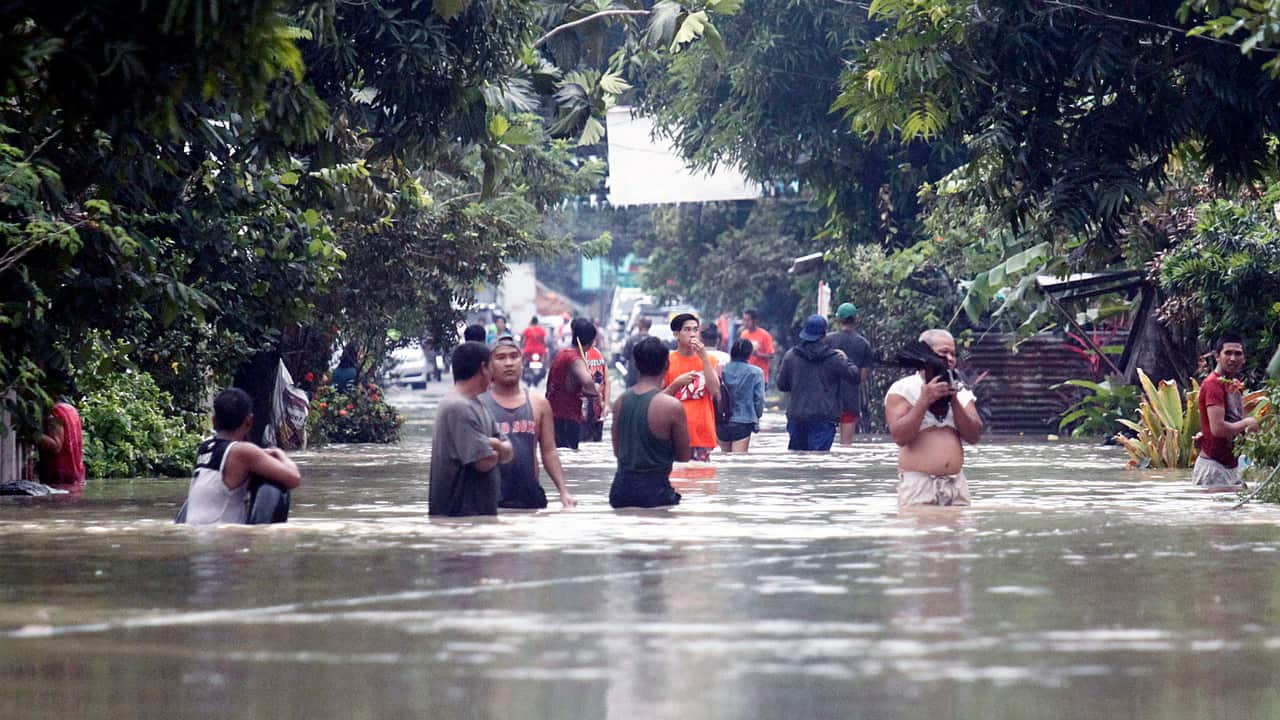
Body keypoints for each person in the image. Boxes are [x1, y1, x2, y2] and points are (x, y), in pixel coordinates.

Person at [885, 329, 983, 508]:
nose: (950, 358)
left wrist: (953, 399)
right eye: (944, 353)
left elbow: (974, 436)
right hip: (919, 485)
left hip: (956, 485)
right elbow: (900, 437)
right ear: (925, 355)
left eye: (953, 354)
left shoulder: (962, 390)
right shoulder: (902, 389)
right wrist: (924, 400)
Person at [478, 337, 577, 509]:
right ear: (489, 367)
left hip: (528, 494)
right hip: (489, 495)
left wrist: (563, 491)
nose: (509, 363)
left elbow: (549, 451)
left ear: (522, 362)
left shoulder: (539, 404)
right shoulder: (478, 405)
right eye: (500, 358)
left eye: (514, 356)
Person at [184, 388, 302, 525]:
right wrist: (279, 453)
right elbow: (294, 478)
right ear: (249, 421)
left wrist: (261, 453)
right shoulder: (243, 452)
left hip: (196, 532)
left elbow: (233, 456)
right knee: (276, 486)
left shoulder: (205, 447)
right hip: (222, 538)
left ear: (214, 420)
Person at [429, 342, 513, 516]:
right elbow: (484, 462)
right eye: (491, 365)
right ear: (483, 368)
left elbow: (508, 452)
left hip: (478, 517)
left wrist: (493, 443)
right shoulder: (458, 407)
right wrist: (496, 446)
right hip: (460, 518)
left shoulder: (478, 404)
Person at [610, 336, 692, 508]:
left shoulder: (620, 402)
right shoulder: (672, 406)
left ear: (637, 366)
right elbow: (684, 456)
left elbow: (618, 451)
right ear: (666, 365)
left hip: (620, 491)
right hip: (655, 492)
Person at [776, 314, 860, 452]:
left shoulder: (791, 356)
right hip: (824, 418)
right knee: (819, 462)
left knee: (797, 460)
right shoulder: (835, 358)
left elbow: (782, 385)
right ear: (824, 335)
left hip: (797, 417)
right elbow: (854, 377)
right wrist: (846, 359)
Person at [1193, 334, 1259, 489]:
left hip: (1231, 467)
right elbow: (1218, 429)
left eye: (1238, 354)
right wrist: (1248, 423)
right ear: (1217, 356)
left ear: (1244, 358)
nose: (1233, 358)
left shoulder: (1235, 385)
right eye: (1228, 353)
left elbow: (1233, 422)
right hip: (1214, 468)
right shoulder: (1213, 384)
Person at [663, 313, 720, 461]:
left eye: (695, 330)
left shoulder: (710, 360)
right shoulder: (667, 362)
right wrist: (676, 384)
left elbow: (714, 390)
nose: (692, 334)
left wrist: (704, 359)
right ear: (676, 334)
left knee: (702, 481)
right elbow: (658, 399)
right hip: (675, 434)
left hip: (702, 434)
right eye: (687, 330)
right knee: (677, 481)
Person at [545, 317, 600, 449]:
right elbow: (589, 384)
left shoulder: (562, 354)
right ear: (591, 341)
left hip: (552, 416)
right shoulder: (575, 360)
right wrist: (596, 388)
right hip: (567, 419)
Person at [825, 302, 876, 444]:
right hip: (850, 398)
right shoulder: (864, 343)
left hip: (828, 401)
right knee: (846, 446)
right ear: (856, 320)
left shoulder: (827, 340)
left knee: (823, 446)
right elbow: (863, 376)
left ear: (837, 320)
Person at [717, 339, 766, 454]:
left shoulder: (720, 369)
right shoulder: (756, 372)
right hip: (743, 422)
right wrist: (756, 417)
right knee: (738, 461)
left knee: (724, 459)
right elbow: (759, 399)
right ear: (749, 354)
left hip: (721, 421)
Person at [36, 400, 85, 485]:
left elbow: (56, 446)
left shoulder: (55, 412)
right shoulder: (71, 410)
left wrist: (32, 434)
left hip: (58, 476)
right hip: (74, 475)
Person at [582, 334, 609, 442]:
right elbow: (607, 381)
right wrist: (606, 404)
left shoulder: (580, 356)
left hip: (585, 411)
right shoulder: (599, 355)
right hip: (598, 408)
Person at [739, 308, 775, 385]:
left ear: (755, 321)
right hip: (746, 376)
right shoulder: (743, 335)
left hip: (760, 376)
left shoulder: (765, 335)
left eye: (747, 320)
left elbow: (771, 355)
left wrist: (758, 354)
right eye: (744, 320)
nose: (745, 323)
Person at [620, 316, 652, 388]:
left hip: (633, 376)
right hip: (649, 377)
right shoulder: (654, 341)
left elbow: (625, 356)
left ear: (640, 325)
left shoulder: (631, 339)